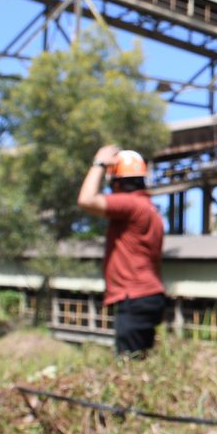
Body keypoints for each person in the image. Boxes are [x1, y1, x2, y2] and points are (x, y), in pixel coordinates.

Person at [77, 146, 166, 358]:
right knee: (139, 362)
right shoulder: (150, 209)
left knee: (128, 365)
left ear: (116, 182)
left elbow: (86, 200)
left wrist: (98, 163)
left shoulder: (131, 204)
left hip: (135, 298)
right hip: (148, 296)